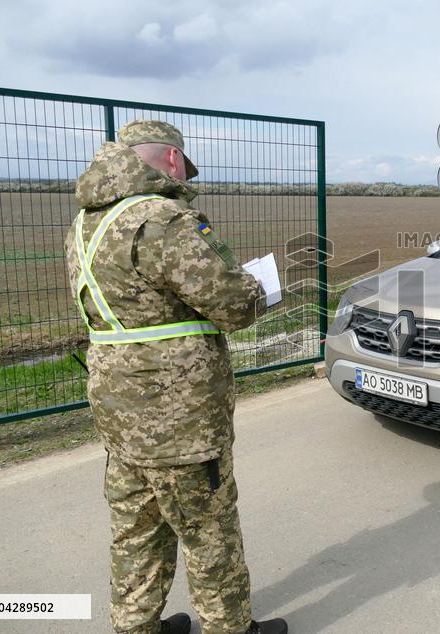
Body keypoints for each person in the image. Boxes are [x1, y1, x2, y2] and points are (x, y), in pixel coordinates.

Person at [64, 120, 288, 634]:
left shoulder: (85, 225)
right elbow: (233, 304)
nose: (184, 176)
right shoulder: (165, 220)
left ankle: (135, 626)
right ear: (169, 159)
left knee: (136, 528)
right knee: (208, 529)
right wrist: (257, 288)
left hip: (118, 410)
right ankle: (230, 628)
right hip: (178, 414)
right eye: (183, 166)